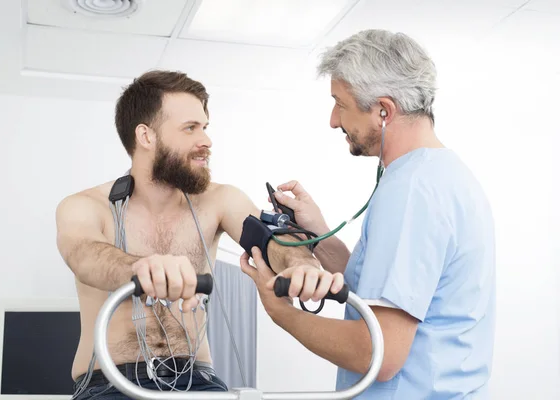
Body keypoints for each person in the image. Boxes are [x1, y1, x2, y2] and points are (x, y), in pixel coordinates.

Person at [241, 29, 496, 399]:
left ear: (384, 110)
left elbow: (380, 351)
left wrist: (282, 313)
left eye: (340, 104)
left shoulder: (413, 192)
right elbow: (377, 288)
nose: (332, 120)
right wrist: (319, 232)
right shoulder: (439, 175)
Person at [55, 70, 330, 399]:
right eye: (190, 129)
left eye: (205, 127)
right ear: (146, 136)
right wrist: (141, 269)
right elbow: (85, 255)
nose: (207, 142)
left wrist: (302, 265)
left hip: (196, 380)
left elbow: (275, 243)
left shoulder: (219, 200)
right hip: (110, 383)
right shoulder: (85, 206)